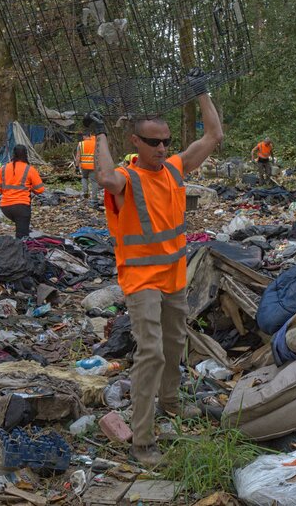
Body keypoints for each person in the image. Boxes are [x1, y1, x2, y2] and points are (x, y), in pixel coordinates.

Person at [89, 68, 221, 468]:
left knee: (173, 345)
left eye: (166, 142)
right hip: (141, 279)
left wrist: (202, 92)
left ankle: (170, 403)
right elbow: (104, 177)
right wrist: (97, 134)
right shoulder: (128, 178)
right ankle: (142, 442)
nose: (162, 149)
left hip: (174, 277)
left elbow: (212, 136)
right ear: (135, 142)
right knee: (151, 354)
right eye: (153, 142)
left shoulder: (176, 170)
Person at [0, 144, 45, 239]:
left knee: (20, 227)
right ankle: (20, 250)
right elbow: (40, 189)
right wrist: (30, 188)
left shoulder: (4, 168)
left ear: (13, 154)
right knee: (22, 238)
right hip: (21, 207)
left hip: (6, 208)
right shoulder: (30, 169)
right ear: (26, 154)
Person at [74, 128, 99, 207]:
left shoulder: (81, 144)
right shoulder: (95, 143)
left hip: (84, 166)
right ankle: (94, 198)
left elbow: (78, 156)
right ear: (90, 136)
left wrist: (77, 166)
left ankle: (85, 193)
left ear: (85, 136)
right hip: (93, 166)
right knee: (94, 182)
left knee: (84, 178)